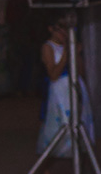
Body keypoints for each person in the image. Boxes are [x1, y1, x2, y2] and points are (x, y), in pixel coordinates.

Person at [37, 13, 94, 159]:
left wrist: (76, 54)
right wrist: (66, 53)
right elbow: (53, 74)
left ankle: (83, 165)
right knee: (60, 127)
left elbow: (81, 72)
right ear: (51, 29)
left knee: (81, 125)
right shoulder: (48, 47)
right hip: (59, 92)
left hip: (74, 88)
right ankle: (46, 163)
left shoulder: (70, 46)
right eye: (60, 29)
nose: (64, 33)